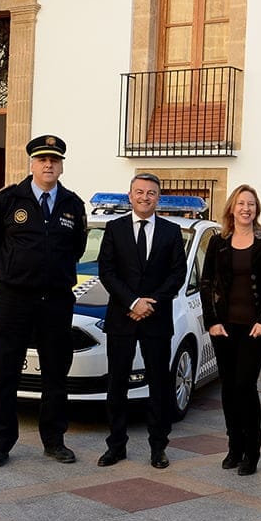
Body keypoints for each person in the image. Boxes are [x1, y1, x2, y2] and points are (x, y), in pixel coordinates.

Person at [0, 134, 88, 467]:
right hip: (14, 300)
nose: (48, 165)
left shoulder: (72, 204)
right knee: (5, 373)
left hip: (54, 301)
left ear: (61, 166)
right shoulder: (10, 200)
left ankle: (54, 440)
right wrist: (13, 270)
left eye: (54, 160)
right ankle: (0, 443)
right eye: (42, 160)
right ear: (32, 164)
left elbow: (77, 248)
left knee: (55, 374)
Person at [97, 172, 187, 469]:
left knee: (159, 385)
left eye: (150, 193)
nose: (144, 197)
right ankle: (116, 445)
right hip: (122, 317)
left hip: (156, 319)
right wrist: (133, 301)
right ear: (130, 195)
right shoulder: (114, 229)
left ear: (158, 197)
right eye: (139, 192)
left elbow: (177, 274)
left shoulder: (171, 232)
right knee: (117, 384)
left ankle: (158, 447)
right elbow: (107, 271)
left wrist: (152, 303)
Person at [200, 185, 261, 476]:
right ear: (231, 209)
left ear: (256, 209)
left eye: (251, 204)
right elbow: (206, 283)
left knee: (245, 386)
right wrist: (211, 321)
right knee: (228, 388)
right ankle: (234, 446)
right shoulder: (218, 242)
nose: (246, 208)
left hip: (255, 329)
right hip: (224, 328)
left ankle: (252, 451)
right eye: (241, 203)